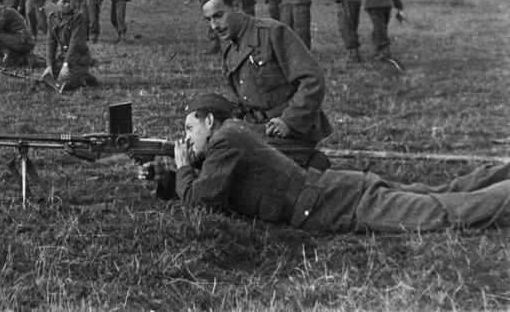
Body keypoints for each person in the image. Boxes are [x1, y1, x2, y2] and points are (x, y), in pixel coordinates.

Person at [139, 93, 510, 233]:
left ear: (208, 121)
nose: (186, 137)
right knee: (441, 193)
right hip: (337, 192)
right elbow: (216, 187)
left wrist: (184, 168)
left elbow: (203, 200)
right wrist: (171, 181)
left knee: (441, 213)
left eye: (189, 127)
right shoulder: (229, 136)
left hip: (340, 202)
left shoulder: (225, 140)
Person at [198, 0, 331, 170]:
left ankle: (312, 165)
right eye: (209, 20)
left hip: (289, 131)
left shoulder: (272, 33)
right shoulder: (230, 52)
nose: (214, 26)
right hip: (257, 130)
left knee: (243, 172)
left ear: (237, 6)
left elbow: (312, 79)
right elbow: (242, 104)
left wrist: (289, 121)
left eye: (218, 16)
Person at [43, 0, 99, 91]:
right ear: (55, 3)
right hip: (64, 57)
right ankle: (82, 75)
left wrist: (66, 64)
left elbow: (75, 44)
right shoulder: (52, 18)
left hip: (78, 58)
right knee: (48, 79)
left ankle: (82, 77)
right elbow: (51, 42)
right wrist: (49, 65)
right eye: (64, 2)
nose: (68, 4)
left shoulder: (77, 17)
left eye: (69, 1)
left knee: (63, 86)